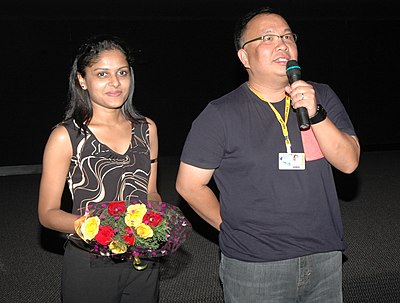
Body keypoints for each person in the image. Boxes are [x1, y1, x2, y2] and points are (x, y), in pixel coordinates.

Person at [176, 6, 360, 303]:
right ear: (244, 57)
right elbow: (188, 185)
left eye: (288, 36)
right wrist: (231, 226)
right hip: (255, 264)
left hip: (324, 255)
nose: (282, 43)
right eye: (268, 37)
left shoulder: (321, 95)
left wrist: (316, 113)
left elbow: (349, 163)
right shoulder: (220, 114)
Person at [38, 35, 162, 303]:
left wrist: (152, 216)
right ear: (82, 80)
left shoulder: (147, 129)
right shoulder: (66, 136)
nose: (115, 82)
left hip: (142, 257)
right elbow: (47, 214)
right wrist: (94, 227)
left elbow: (151, 192)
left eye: (122, 72)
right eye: (102, 74)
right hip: (90, 260)